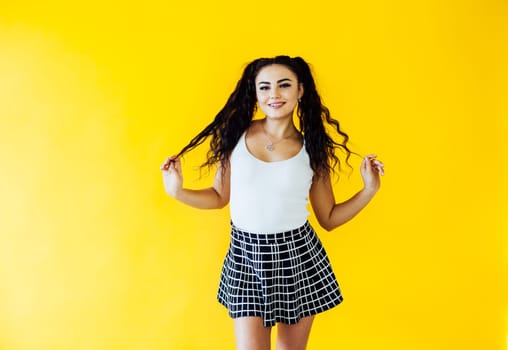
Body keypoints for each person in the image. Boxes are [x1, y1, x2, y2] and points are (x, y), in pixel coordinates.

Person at [160, 55, 384, 350]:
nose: (274, 95)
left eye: (284, 85)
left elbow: (329, 217)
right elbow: (218, 197)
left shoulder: (312, 149)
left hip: (298, 257)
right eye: (264, 87)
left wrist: (369, 190)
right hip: (245, 256)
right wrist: (178, 191)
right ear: (255, 93)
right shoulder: (236, 135)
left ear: (300, 90)